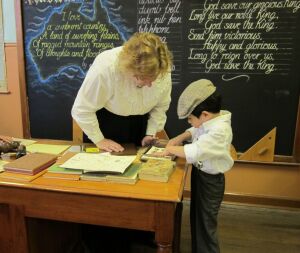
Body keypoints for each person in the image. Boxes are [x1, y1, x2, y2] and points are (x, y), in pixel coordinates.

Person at [158, 79, 234, 253]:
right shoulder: (213, 119)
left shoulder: (220, 131)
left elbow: (195, 151)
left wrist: (169, 149)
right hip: (201, 175)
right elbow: (196, 129)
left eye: (190, 118)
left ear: (205, 114)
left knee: (206, 224)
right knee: (197, 217)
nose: (189, 122)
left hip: (211, 182)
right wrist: (180, 137)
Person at [72, 32, 173, 152]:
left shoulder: (161, 67)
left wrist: (150, 133)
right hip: (105, 125)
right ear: (128, 68)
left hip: (141, 126)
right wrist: (99, 140)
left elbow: (160, 106)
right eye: (143, 78)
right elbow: (82, 109)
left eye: (153, 79)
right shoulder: (106, 67)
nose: (149, 84)